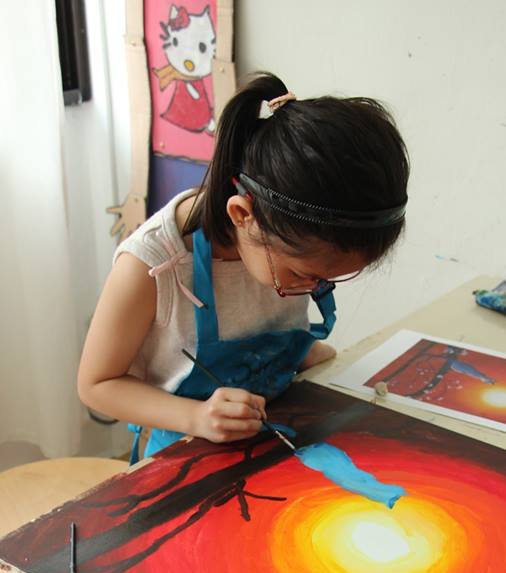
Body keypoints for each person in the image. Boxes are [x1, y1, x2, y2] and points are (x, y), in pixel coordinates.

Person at [78, 72, 409, 462]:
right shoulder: (151, 265)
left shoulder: (284, 244)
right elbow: (97, 385)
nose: (313, 287)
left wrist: (303, 357)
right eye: (303, 276)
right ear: (242, 215)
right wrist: (197, 417)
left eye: (326, 280)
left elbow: (263, 322)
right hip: (188, 453)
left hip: (277, 434)